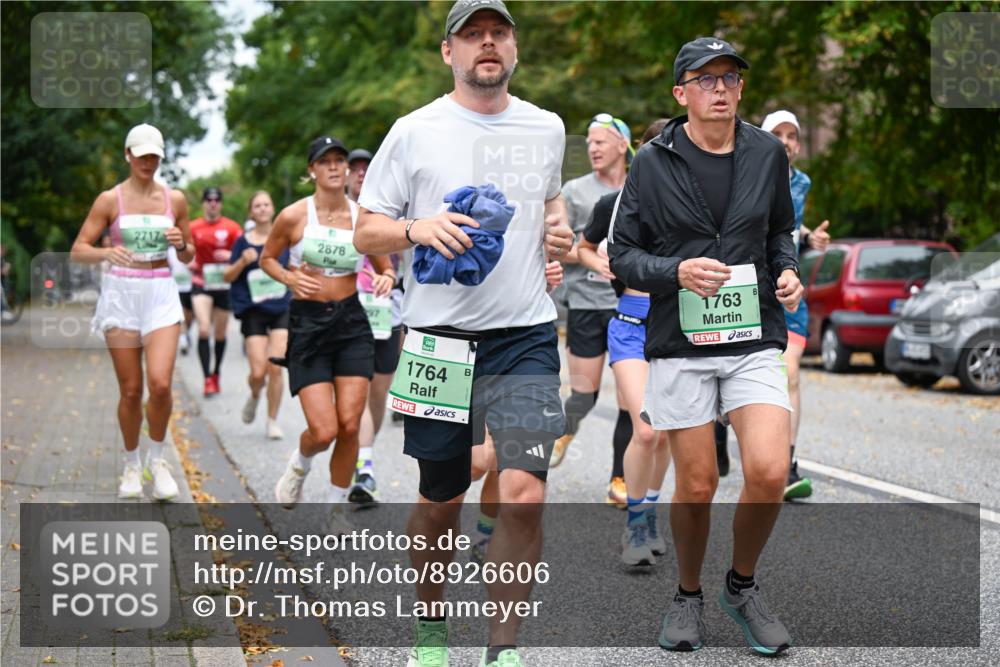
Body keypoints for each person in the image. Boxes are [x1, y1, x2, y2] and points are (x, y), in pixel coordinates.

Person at [354, 2, 574, 665]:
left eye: (498, 33)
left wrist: (556, 230)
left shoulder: (546, 127)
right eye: (472, 34)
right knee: (440, 498)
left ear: (514, 48)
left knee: (525, 492)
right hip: (438, 340)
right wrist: (415, 229)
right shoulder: (414, 130)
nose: (487, 43)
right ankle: (429, 627)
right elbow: (366, 230)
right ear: (448, 52)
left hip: (526, 336)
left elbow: (551, 201)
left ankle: (501, 647)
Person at [608, 37, 803, 654]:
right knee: (696, 485)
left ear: (741, 89)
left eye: (730, 77)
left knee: (769, 471)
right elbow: (622, 255)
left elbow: (778, 233)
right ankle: (687, 593)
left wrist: (788, 271)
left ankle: (741, 586)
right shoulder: (651, 161)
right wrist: (677, 272)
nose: (720, 87)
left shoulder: (768, 154)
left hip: (753, 336)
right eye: (705, 77)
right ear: (681, 92)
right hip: (681, 341)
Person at [261, 136, 395, 533]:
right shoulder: (293, 216)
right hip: (308, 324)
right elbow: (267, 257)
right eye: (326, 161)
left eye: (340, 160)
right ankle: (300, 465)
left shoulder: (363, 217)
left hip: (352, 324)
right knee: (324, 430)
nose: (336, 167)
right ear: (312, 171)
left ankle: (336, 509)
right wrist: (288, 276)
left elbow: (385, 264)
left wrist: (387, 277)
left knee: (351, 425)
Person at [70, 123, 192, 501]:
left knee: (159, 383)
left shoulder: (175, 199)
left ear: (160, 157)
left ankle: (157, 461)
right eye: (140, 155)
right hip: (122, 292)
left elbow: (189, 255)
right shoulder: (110, 200)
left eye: (153, 155)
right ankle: (130, 464)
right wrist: (106, 252)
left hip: (160, 291)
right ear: (128, 155)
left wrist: (181, 242)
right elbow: (78, 249)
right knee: (131, 390)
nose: (147, 161)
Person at [578, 119, 672, 566]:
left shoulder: (691, 208)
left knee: (668, 430)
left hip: (676, 328)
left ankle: (649, 508)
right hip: (631, 325)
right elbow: (583, 246)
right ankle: (635, 524)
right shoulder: (613, 205)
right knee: (647, 428)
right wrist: (598, 264)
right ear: (642, 154)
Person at [550, 112, 635, 508]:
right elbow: (556, 246)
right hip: (586, 302)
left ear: (623, 145)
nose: (593, 148)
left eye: (601, 141)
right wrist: (588, 255)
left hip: (629, 305)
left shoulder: (640, 188)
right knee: (584, 395)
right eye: (589, 143)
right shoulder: (574, 191)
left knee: (629, 400)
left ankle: (620, 477)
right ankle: (565, 430)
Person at [760, 110, 831, 500]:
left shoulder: (802, 182)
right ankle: (720, 431)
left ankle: (786, 465)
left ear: (799, 145)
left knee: (790, 376)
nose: (785, 142)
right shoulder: (747, 171)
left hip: (790, 290)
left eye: (792, 136)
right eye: (777, 134)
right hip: (750, 290)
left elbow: (788, 226)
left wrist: (808, 239)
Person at [223, 190, 290, 440]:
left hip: (281, 308)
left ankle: (272, 420)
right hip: (253, 312)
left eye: (266, 204)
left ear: (272, 209)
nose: (262, 208)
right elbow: (227, 276)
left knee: (275, 366)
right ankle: (254, 394)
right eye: (257, 205)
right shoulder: (242, 242)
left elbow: (294, 267)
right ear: (251, 212)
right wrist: (242, 262)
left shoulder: (284, 239)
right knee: (258, 372)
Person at [189, 187, 242, 396]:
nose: (213, 203)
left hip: (223, 284)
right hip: (201, 281)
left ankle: (216, 372)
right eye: (209, 199)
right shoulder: (193, 227)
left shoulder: (232, 227)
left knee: (220, 333)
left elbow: (243, 253)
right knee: (203, 329)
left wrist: (230, 255)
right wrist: (189, 261)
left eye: (217, 200)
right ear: (203, 203)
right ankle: (206, 379)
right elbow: (183, 251)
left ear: (220, 203)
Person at [167, 246, 194, 354]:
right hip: (176, 287)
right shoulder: (169, 251)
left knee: (190, 316)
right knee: (181, 314)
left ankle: (186, 333)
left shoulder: (193, 249)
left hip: (192, 286)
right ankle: (183, 340)